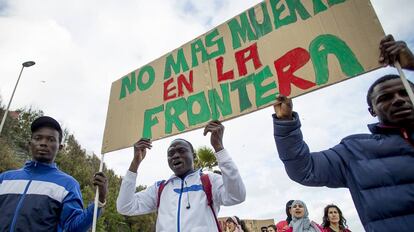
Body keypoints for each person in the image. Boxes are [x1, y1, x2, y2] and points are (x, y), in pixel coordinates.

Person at [272, 34, 414, 231]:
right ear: (372, 110)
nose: (398, 100)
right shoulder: (355, 151)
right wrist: (285, 124)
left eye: (405, 93)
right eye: (385, 98)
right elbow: (305, 170)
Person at [116, 120, 246, 231]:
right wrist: (135, 163)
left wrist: (219, 148)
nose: (175, 155)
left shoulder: (210, 180)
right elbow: (125, 207)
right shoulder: (159, 189)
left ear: (194, 156)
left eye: (181, 151)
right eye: (171, 153)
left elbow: (237, 196)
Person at [0, 116, 108, 231]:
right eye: (38, 138)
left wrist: (100, 200)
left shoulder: (67, 185)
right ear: (29, 143)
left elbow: (73, 228)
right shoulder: (5, 179)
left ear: (60, 147)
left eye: (51, 140)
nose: (43, 143)